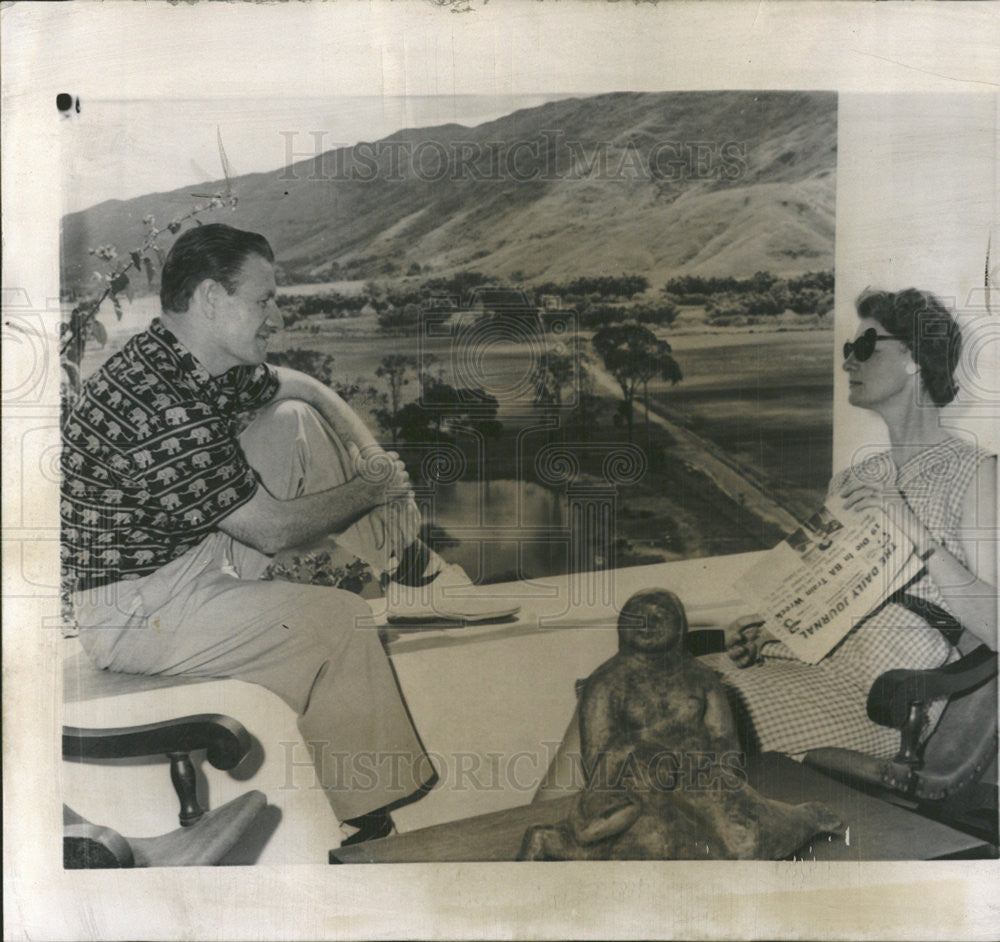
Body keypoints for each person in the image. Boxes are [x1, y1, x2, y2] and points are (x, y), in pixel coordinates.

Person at [62, 223, 517, 845]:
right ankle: (368, 827)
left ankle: (415, 575)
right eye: (262, 299)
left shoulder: (187, 359)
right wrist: (375, 487)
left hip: (184, 558)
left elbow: (302, 386)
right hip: (138, 615)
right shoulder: (157, 398)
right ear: (210, 300)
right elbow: (270, 532)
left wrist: (370, 452)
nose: (274, 315)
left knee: (295, 422)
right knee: (340, 621)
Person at [536, 287, 996, 796]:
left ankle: (561, 852)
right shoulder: (857, 477)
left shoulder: (974, 473)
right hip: (806, 670)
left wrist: (916, 535)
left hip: (878, 695)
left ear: (914, 358)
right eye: (846, 349)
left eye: (864, 347)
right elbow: (830, 597)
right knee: (616, 685)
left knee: (667, 716)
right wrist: (770, 629)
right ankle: (534, 849)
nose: (848, 361)